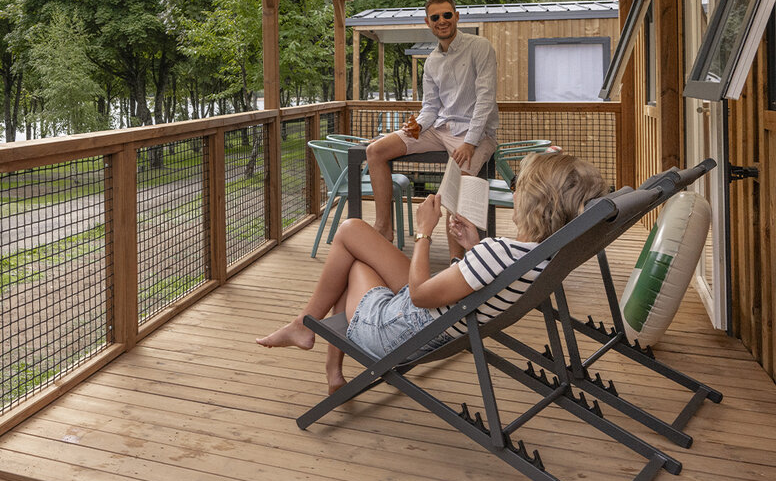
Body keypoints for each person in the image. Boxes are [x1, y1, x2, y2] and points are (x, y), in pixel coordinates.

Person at [257, 152, 607, 393]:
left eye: (519, 189)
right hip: (431, 317)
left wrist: (425, 232)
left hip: (399, 329)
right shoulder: (543, 254)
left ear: (535, 202)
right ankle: (323, 356)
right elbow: (483, 282)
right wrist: (472, 246)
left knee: (351, 250)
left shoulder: (498, 252)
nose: (513, 194)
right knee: (352, 237)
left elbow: (423, 295)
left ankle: (309, 333)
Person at [365, 0, 499, 240]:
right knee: (375, 150)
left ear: (456, 17)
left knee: (453, 189)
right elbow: (430, 107)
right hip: (439, 128)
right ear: (428, 22)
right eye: (435, 17)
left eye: (447, 15)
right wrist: (417, 125)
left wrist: (470, 142)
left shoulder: (480, 47)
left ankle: (455, 263)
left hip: (474, 133)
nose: (442, 20)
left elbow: (486, 100)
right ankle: (384, 228)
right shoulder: (432, 61)